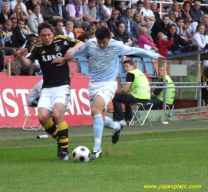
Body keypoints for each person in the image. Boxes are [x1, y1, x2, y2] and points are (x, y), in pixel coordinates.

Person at [65, 27, 165, 160]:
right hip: (93, 84)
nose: (101, 45)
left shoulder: (116, 46)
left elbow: (136, 50)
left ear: (109, 39)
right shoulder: (91, 44)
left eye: (104, 42)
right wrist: (64, 58)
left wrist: (155, 55)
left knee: (95, 110)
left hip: (109, 84)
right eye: (99, 42)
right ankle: (117, 126)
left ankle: (97, 148)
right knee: (100, 117)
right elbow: (77, 53)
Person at [16, 22, 83, 160]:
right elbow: (26, 64)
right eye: (43, 36)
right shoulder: (37, 48)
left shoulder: (62, 41)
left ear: (53, 34)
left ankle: (64, 151)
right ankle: (61, 139)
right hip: (46, 87)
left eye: (48, 35)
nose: (46, 38)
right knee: (43, 118)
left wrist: (69, 53)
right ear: (39, 36)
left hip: (62, 85)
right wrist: (20, 56)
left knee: (58, 115)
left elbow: (81, 42)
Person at [112, 60, 151, 125]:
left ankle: (120, 119)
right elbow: (128, 91)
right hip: (146, 98)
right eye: (124, 67)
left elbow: (125, 90)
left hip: (138, 97)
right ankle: (129, 120)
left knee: (115, 97)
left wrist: (115, 92)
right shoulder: (140, 73)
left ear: (132, 66)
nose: (125, 68)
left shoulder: (130, 74)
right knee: (127, 97)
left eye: (127, 66)